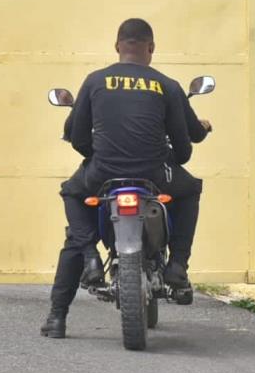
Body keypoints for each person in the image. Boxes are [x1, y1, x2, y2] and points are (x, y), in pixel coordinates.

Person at [41, 18, 211, 338]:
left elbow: (76, 138)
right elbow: (185, 148)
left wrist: (99, 154)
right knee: (189, 191)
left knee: (73, 198)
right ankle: (178, 267)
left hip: (104, 173)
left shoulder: (95, 81)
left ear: (117, 46)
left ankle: (60, 312)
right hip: (155, 175)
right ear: (151, 48)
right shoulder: (168, 85)